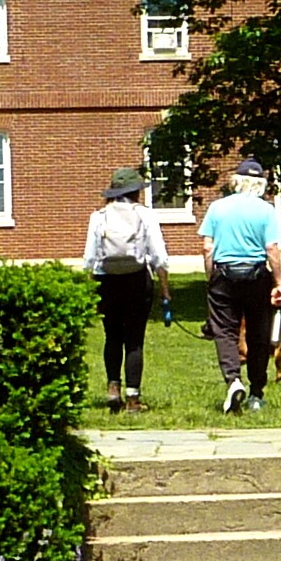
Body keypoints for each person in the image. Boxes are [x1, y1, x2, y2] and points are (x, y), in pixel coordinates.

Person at [198, 155, 281, 412]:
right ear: (261, 184)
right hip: (256, 276)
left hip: (224, 276)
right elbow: (271, 248)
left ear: (236, 181)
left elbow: (207, 248)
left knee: (225, 331)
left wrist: (210, 277)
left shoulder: (217, 208)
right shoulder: (266, 210)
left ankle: (233, 379)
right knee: (258, 335)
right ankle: (256, 393)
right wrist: (279, 282)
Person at [80, 168, 171, 411]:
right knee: (134, 341)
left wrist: (91, 286)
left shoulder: (98, 216)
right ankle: (133, 398)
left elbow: (89, 258)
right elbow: (159, 256)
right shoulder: (145, 215)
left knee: (112, 336)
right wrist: (164, 289)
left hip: (106, 281)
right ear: (135, 193)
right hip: (137, 281)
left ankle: (112, 388)